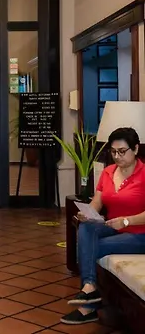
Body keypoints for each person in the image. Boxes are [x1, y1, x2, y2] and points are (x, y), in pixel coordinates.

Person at [62, 127, 145, 325]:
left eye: (122, 151)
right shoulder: (108, 172)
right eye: (113, 151)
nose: (117, 156)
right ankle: (90, 287)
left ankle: (88, 307)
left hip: (139, 233)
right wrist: (88, 213)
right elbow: (97, 202)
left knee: (89, 248)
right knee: (86, 228)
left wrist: (127, 221)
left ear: (135, 149)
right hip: (112, 226)